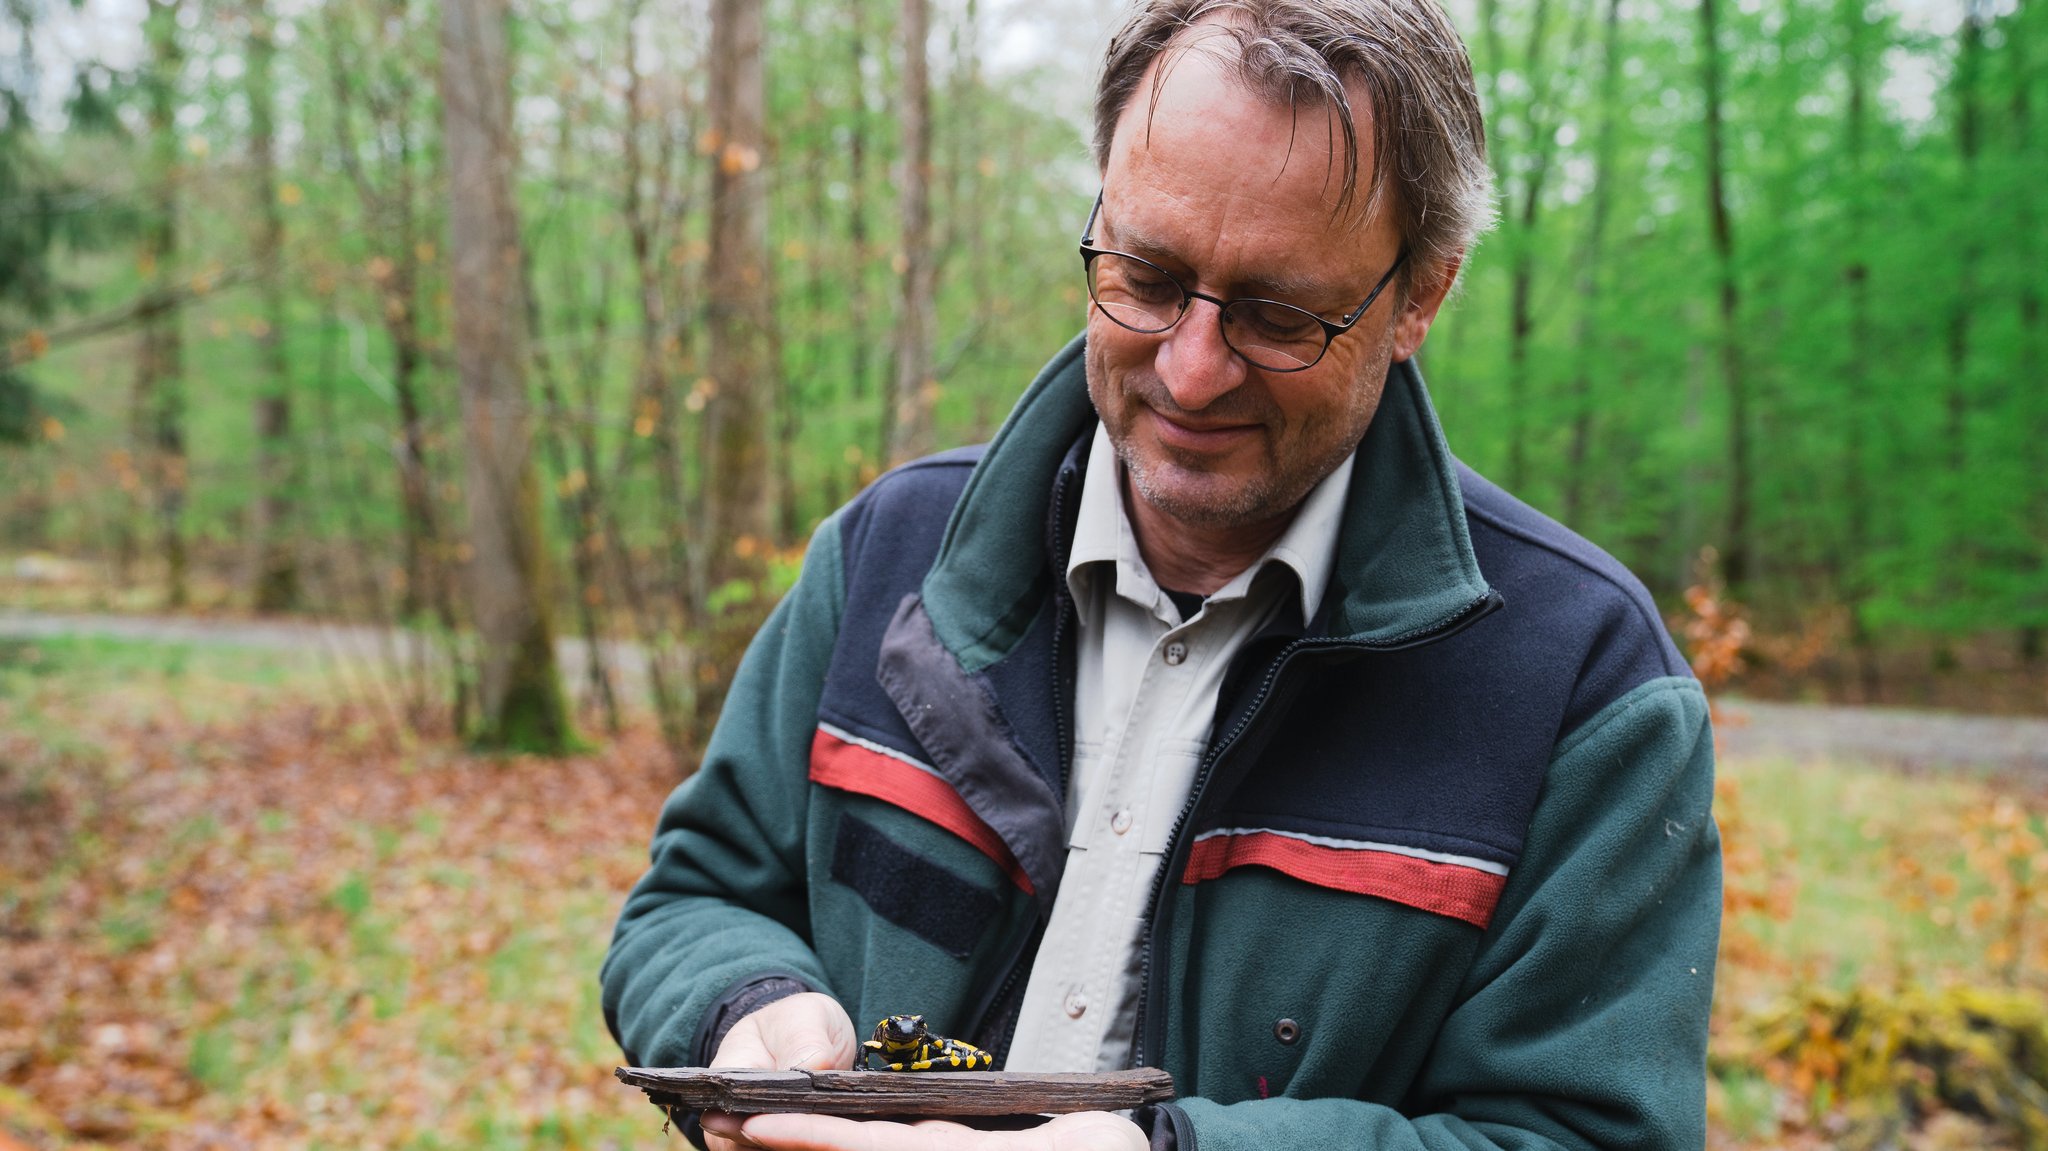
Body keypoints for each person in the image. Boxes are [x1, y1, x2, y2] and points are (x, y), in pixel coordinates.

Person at [601, 2, 1722, 1149]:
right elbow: (699, 893)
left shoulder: (1582, 691)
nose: (1189, 372)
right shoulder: (891, 553)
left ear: (1418, 297)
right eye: (1145, 274)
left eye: (1277, 313)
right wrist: (747, 1008)